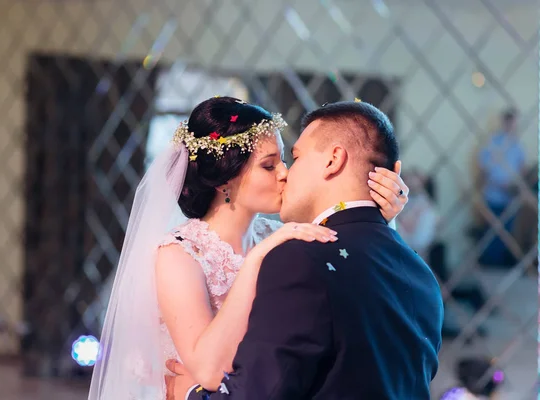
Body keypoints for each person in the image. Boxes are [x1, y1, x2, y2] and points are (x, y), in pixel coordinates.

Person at [87, 97, 409, 400]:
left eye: (285, 160)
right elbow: (208, 371)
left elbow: (356, 277)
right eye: (269, 166)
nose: (285, 173)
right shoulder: (180, 254)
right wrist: (256, 259)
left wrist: (382, 217)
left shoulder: (282, 237)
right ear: (225, 179)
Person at [170, 101, 443, 400]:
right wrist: (378, 223)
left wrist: (191, 394)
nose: (285, 173)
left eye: (294, 157)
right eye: (269, 165)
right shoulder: (419, 272)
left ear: (333, 160)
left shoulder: (297, 256)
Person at [477, 108, 526, 266]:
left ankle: (501, 265)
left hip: (510, 196)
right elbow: (484, 168)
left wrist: (516, 186)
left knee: (507, 231)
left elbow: (522, 168)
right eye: (510, 122)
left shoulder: (517, 145)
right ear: (505, 122)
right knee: (492, 232)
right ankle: (491, 263)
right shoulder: (492, 142)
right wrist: (499, 184)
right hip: (493, 194)